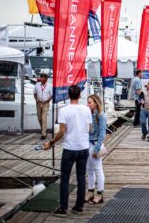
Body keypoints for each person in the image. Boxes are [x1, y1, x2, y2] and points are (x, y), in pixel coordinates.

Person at [43, 85, 92, 217]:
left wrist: (51, 142)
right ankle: (79, 206)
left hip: (70, 148)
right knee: (81, 177)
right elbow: (90, 128)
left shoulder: (64, 110)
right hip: (83, 147)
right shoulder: (86, 109)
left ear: (68, 96)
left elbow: (62, 131)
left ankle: (63, 208)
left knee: (65, 178)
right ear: (80, 96)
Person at [85, 95, 107, 204]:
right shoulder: (88, 114)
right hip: (88, 143)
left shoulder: (101, 115)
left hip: (95, 144)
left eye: (89, 102)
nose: (87, 104)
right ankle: (90, 191)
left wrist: (97, 149)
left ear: (95, 103)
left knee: (98, 169)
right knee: (89, 169)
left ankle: (100, 194)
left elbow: (102, 134)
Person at [33, 73, 53, 139]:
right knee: (39, 118)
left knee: (44, 118)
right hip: (38, 103)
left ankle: (43, 134)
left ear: (45, 79)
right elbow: (34, 93)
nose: (40, 78)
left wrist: (46, 101)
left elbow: (51, 96)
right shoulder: (37, 85)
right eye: (40, 77)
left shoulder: (50, 86)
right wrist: (37, 100)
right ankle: (43, 130)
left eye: (42, 77)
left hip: (45, 103)